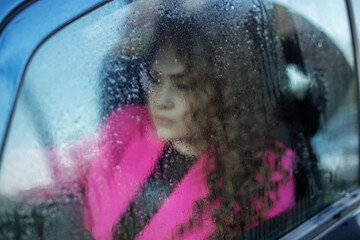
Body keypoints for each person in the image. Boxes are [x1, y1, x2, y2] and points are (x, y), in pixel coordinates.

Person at [84, 13, 295, 240]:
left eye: (183, 85)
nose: (161, 101)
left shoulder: (265, 169)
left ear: (220, 90)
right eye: (156, 80)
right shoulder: (127, 125)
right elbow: (60, 166)